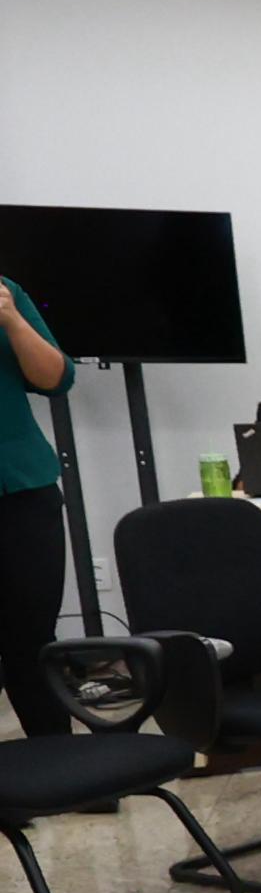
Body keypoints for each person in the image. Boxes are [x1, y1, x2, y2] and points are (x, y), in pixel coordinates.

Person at [0, 270, 73, 740]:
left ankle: (61, 773)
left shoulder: (6, 290)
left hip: (22, 491)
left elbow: (57, 379)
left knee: (32, 644)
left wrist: (9, 316)